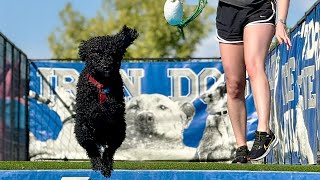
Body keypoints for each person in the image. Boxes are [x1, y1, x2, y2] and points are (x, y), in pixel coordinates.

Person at [215, 0, 292, 163]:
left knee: (254, 65)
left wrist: (281, 22)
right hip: (227, 12)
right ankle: (241, 147)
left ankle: (264, 132)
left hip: (259, 8)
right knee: (234, 84)